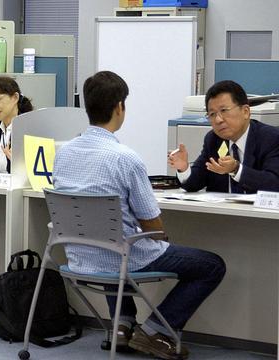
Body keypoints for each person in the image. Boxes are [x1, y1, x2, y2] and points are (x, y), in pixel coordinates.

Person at [53, 71, 225, 360]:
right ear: (120, 107)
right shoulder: (125, 158)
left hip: (79, 257)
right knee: (211, 265)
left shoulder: (64, 153)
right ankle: (156, 331)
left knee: (112, 239)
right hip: (120, 258)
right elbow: (152, 225)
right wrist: (160, 236)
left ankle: (122, 326)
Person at [168, 80, 279, 193]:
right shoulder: (213, 139)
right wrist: (183, 168)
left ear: (245, 111)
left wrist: (236, 169)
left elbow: (274, 183)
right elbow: (195, 183)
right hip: (222, 211)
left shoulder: (271, 138)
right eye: (212, 114)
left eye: (224, 111)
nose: (218, 120)